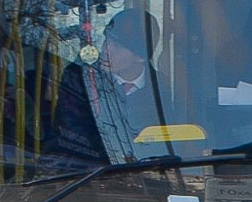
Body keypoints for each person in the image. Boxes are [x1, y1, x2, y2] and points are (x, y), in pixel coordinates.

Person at [45, 9, 164, 171]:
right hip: (86, 177)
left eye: (117, 46)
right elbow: (71, 134)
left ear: (141, 56)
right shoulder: (79, 80)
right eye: (106, 41)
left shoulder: (162, 90)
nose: (106, 51)